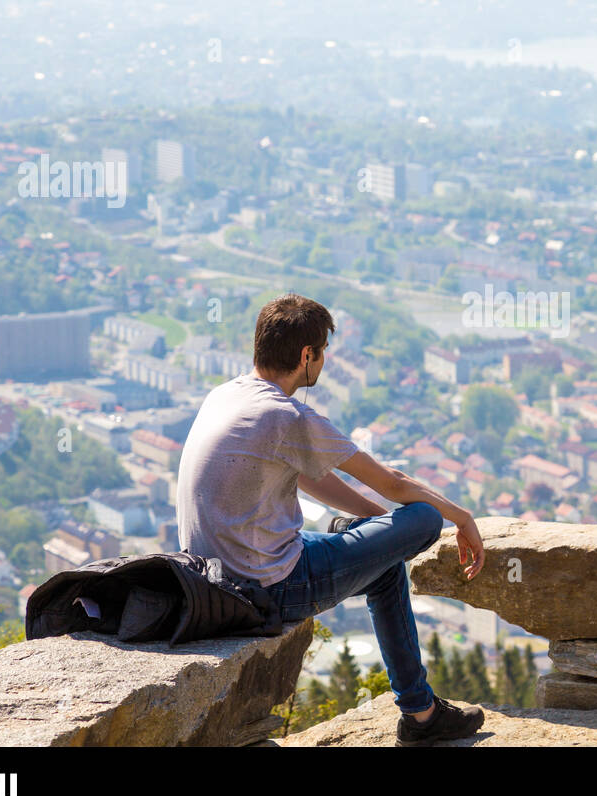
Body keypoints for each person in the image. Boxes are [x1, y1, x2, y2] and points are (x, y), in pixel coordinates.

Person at [176, 293, 487, 746]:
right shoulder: (287, 416)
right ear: (307, 355)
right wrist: (460, 518)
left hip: (212, 578)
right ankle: (420, 715)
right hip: (267, 587)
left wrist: (377, 533)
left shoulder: (226, 395)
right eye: (323, 352)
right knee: (423, 519)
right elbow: (395, 484)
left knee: (382, 568)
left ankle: (421, 715)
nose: (324, 362)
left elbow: (304, 475)